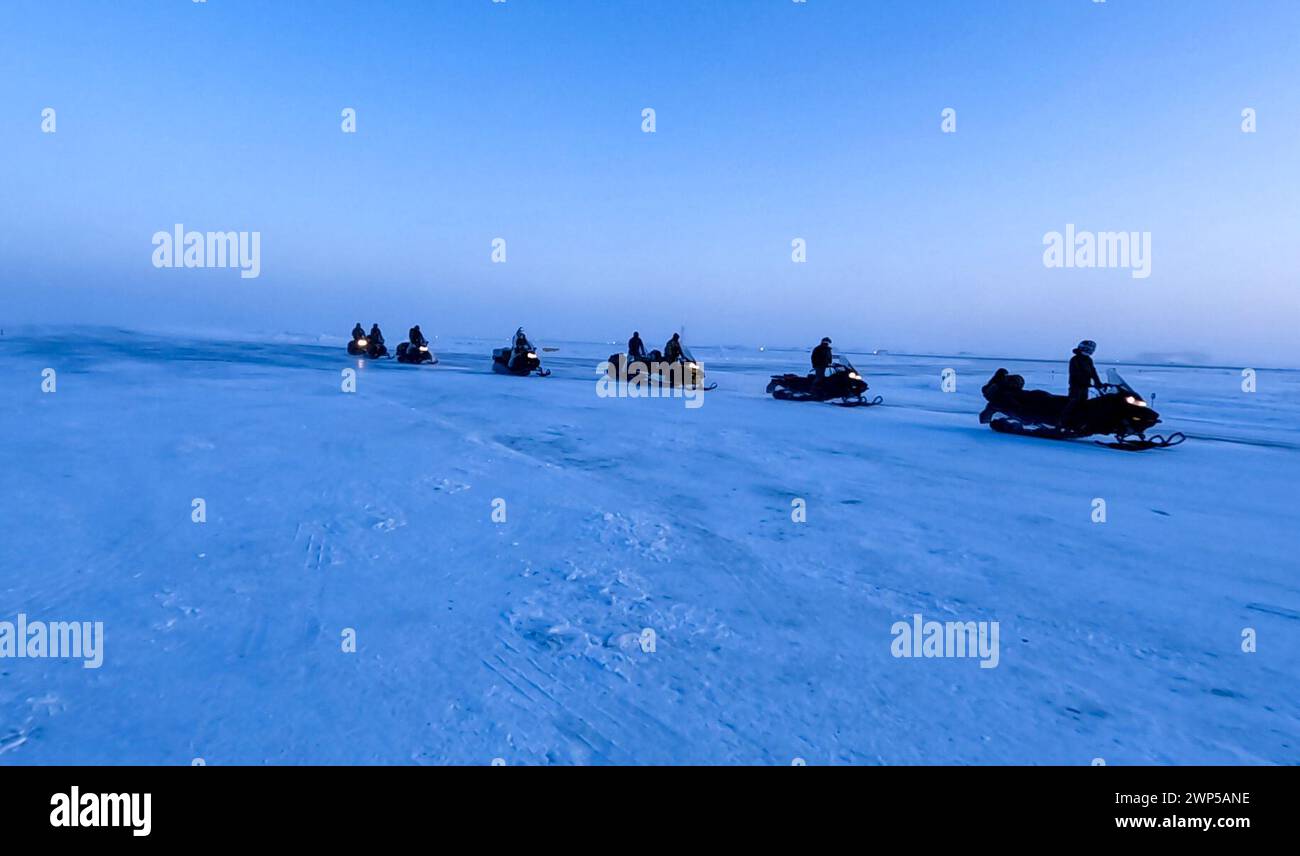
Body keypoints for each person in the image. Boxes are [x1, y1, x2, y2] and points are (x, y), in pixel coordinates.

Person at [1061, 339, 1102, 428]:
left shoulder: (1088, 360)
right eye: (1087, 349)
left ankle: (1078, 422)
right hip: (1076, 385)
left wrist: (1098, 382)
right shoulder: (1075, 359)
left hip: (1085, 386)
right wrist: (1083, 382)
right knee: (1074, 402)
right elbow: (1075, 373)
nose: (1089, 351)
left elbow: (1093, 372)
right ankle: (1062, 422)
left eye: (1090, 349)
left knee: (1083, 403)